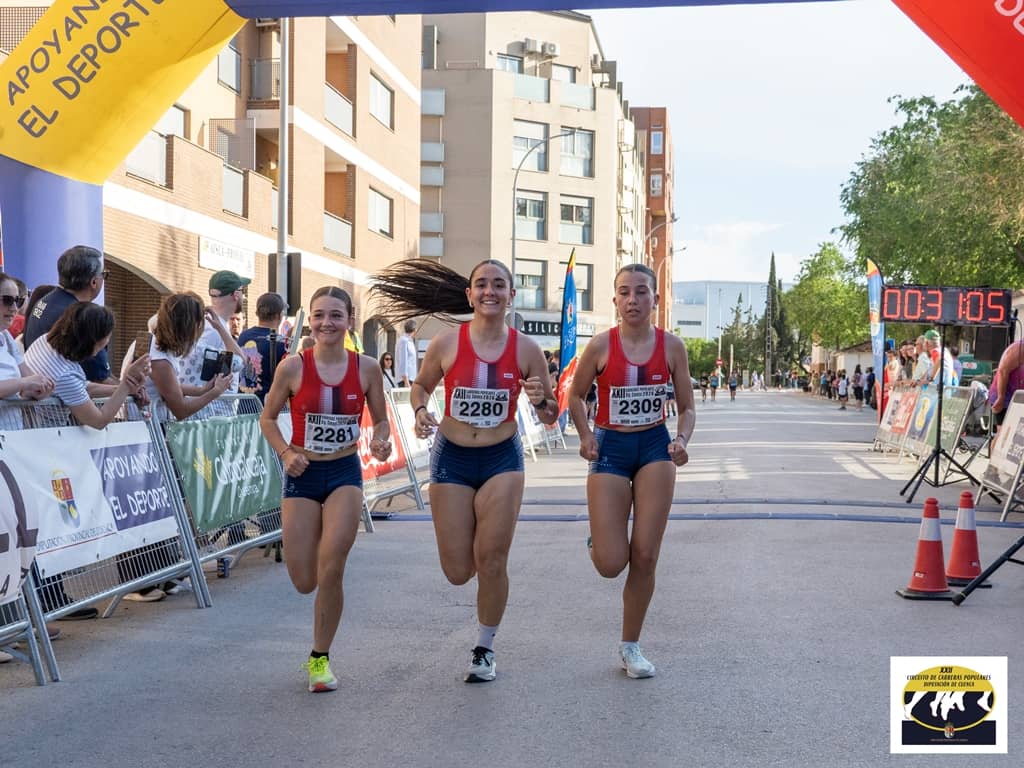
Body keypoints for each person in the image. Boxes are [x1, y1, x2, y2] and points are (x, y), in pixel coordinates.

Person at [370, 258, 557, 683]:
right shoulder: (447, 343)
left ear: (511, 295)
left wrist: (540, 400)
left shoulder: (526, 350)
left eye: (499, 285)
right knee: (458, 571)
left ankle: (484, 648)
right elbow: (421, 385)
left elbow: (549, 415)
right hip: (452, 457)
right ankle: (476, 546)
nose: (490, 291)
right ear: (469, 295)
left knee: (492, 559)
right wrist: (420, 410)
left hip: (501, 459)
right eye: (482, 285)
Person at [259, 286, 392, 693]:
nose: (326, 323)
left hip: (344, 473)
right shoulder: (292, 368)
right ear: (310, 320)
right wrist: (285, 453)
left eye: (335, 315)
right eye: (318, 315)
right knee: (304, 580)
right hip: (303, 475)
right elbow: (267, 419)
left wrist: (381, 440)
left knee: (332, 565)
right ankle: (313, 567)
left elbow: (381, 420)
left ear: (350, 320)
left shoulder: (367, 368)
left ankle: (319, 660)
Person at [569, 264, 694, 679]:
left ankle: (630, 646)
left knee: (645, 555)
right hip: (611, 447)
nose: (633, 300)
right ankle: (599, 539)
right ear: (615, 300)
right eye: (624, 292)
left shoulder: (672, 346)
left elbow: (687, 407)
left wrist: (682, 439)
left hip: (655, 446)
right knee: (610, 563)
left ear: (655, 299)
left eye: (641, 292)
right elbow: (575, 396)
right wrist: (586, 435)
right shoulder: (600, 345)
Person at [146, 293, 233, 421]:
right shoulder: (160, 360)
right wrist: (216, 392)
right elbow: (181, 410)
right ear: (189, 326)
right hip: (147, 425)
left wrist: (202, 390)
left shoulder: (155, 345)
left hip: (149, 422)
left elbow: (169, 386)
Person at [178, 270, 247, 397]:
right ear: (236, 295)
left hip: (204, 403)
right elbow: (240, 362)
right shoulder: (212, 329)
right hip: (207, 405)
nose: (244, 296)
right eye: (243, 291)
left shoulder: (212, 325)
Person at [237, 292, 289, 403]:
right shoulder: (280, 342)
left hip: (243, 405)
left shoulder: (243, 336)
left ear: (257, 313)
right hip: (267, 406)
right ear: (279, 316)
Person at [395, 318, 418, 387]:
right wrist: (406, 381)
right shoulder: (404, 341)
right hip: (405, 380)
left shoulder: (409, 341)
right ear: (414, 329)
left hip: (411, 378)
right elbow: (403, 361)